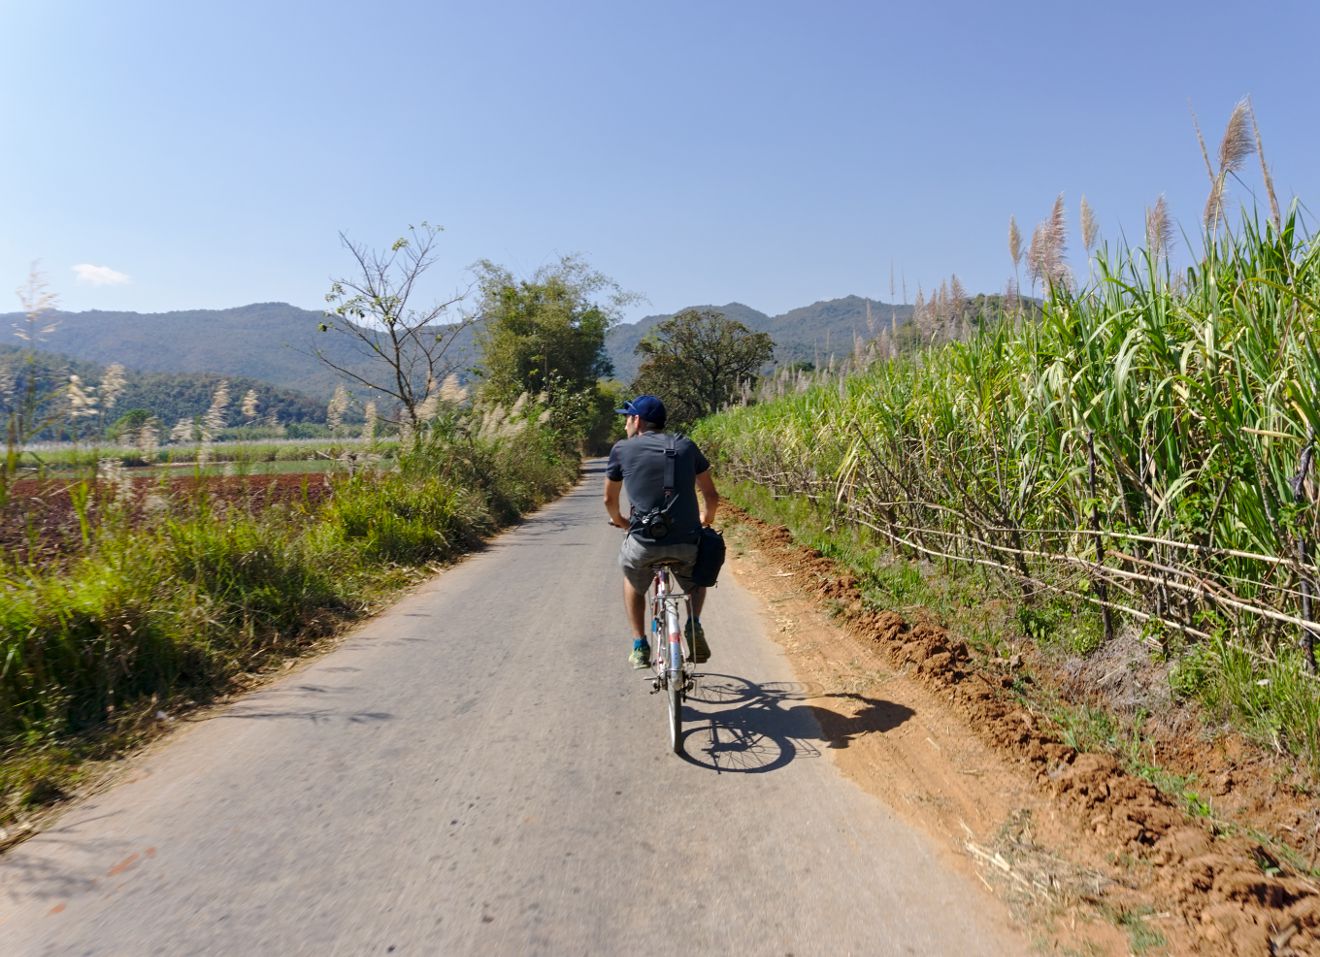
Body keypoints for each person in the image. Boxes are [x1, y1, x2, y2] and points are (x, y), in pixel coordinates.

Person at [603, 394, 719, 669]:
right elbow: (711, 496)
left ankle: (639, 644)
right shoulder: (686, 445)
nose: (624, 425)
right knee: (698, 578)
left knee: (632, 580)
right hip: (686, 541)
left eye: (626, 418)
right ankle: (693, 624)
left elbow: (609, 500)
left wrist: (621, 521)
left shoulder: (621, 450)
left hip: (643, 541)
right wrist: (706, 518)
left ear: (637, 420)